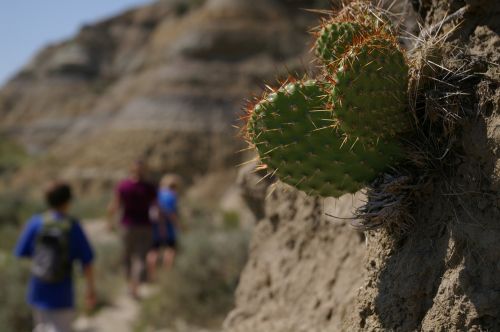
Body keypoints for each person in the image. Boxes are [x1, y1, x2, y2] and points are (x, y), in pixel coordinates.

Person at [14, 181, 96, 332]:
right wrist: (90, 291)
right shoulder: (72, 225)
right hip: (62, 294)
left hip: (38, 288)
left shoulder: (35, 223)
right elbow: (87, 261)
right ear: (67, 201)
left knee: (41, 327)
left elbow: (20, 253)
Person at [108, 160, 156, 298]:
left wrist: (109, 221)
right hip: (145, 226)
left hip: (127, 226)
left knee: (127, 257)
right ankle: (135, 287)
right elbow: (156, 208)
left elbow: (115, 205)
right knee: (140, 258)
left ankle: (130, 285)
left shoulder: (123, 186)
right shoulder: (149, 187)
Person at [147, 174, 181, 281]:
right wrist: (178, 225)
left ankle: (152, 276)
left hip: (155, 227)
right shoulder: (172, 195)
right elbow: (171, 213)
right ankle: (167, 275)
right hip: (168, 227)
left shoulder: (157, 194)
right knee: (170, 250)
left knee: (154, 250)